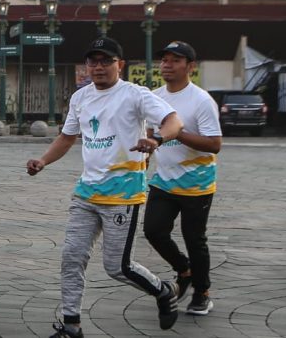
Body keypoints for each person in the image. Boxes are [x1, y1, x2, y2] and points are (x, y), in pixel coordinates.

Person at [26, 36, 184, 338]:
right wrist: (44, 160)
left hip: (122, 195)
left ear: (119, 65)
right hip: (86, 193)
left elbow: (174, 121)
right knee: (72, 258)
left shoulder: (135, 95)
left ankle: (163, 291)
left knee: (118, 267)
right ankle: (71, 326)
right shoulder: (80, 97)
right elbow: (67, 137)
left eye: (105, 61)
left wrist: (157, 139)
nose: (98, 67)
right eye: (93, 61)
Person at [142, 41, 222, 317]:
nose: (167, 65)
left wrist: (176, 134)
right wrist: (145, 158)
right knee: (153, 230)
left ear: (190, 66)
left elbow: (214, 144)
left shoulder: (201, 100)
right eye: (164, 60)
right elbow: (153, 136)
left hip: (196, 184)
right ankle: (184, 269)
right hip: (163, 180)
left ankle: (202, 293)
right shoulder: (154, 96)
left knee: (194, 238)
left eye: (175, 60)